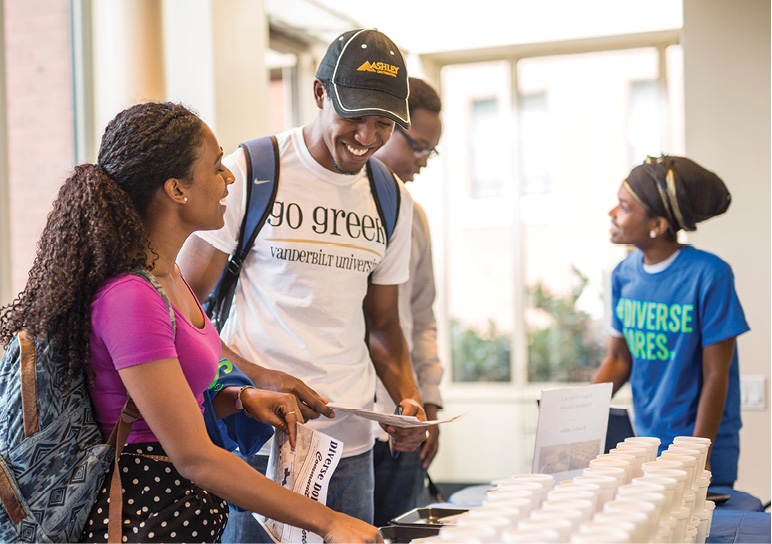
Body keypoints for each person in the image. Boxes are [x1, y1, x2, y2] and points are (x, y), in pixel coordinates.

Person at [0, 101, 382, 543]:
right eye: (218, 166)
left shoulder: (169, 277)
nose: (230, 178)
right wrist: (328, 520)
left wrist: (239, 398)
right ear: (177, 190)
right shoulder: (132, 298)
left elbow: (163, 401)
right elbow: (193, 456)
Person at [177, 29, 428, 541]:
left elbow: (383, 327)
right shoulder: (252, 170)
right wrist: (256, 376)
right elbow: (180, 304)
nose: (367, 137)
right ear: (319, 94)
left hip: (350, 448)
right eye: (355, 118)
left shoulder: (391, 198)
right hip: (260, 444)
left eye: (383, 124)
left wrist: (407, 397)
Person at [592, 155, 748, 486]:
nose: (612, 213)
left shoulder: (710, 274)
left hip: (703, 443)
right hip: (646, 444)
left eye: (624, 206)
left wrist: (698, 454)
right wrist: (576, 414)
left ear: (658, 225)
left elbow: (716, 373)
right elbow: (619, 360)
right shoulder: (622, 275)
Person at [371, 77, 444, 526]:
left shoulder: (413, 215)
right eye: (416, 146)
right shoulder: (326, 207)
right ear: (383, 127)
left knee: (399, 531)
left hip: (403, 415)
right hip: (338, 423)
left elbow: (421, 315)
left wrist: (428, 402)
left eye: (429, 152)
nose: (421, 161)